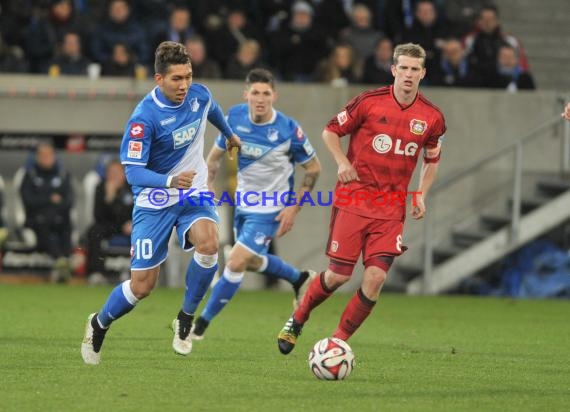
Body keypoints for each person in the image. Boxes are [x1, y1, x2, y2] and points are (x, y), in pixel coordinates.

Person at [277, 43, 447, 354]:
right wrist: (342, 162)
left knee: (375, 278)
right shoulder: (369, 102)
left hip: (391, 209)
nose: (409, 74)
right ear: (393, 70)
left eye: (415, 69)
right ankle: (299, 316)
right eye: (404, 68)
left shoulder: (432, 117)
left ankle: (337, 343)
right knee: (338, 275)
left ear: (423, 73)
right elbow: (330, 131)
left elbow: (432, 159)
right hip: (355, 200)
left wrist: (421, 192)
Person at [81, 41, 241, 365]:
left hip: (193, 192)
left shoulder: (199, 94)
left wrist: (229, 133)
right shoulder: (144, 118)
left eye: (188, 76)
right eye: (176, 79)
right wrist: (169, 181)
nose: (184, 86)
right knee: (142, 287)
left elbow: (211, 109)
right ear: (158, 79)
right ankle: (99, 323)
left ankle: (185, 317)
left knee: (210, 245)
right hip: (155, 201)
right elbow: (133, 172)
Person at [190, 68, 322, 340]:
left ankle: (199, 325)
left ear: (274, 96)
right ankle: (299, 279)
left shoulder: (288, 129)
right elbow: (212, 160)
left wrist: (293, 208)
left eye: (266, 93)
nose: (260, 99)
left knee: (236, 261)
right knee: (248, 261)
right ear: (246, 94)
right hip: (244, 206)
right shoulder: (234, 118)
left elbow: (314, 169)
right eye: (255, 93)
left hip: (272, 208)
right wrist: (208, 185)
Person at [20, 143, 74, 282]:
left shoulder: (63, 174)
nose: (47, 159)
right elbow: (28, 200)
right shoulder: (30, 175)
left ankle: (65, 260)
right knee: (43, 222)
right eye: (43, 156)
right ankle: (60, 261)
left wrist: (52, 203)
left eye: (49, 156)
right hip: (36, 219)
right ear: (37, 158)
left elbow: (69, 200)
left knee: (66, 224)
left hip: (59, 217)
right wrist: (49, 199)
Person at [85, 159, 133, 282]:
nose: (115, 175)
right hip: (109, 226)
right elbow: (98, 216)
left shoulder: (132, 188)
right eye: (111, 172)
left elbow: (134, 211)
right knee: (94, 231)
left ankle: (134, 272)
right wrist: (109, 198)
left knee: (143, 232)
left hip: (128, 226)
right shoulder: (101, 188)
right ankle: (96, 272)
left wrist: (132, 223)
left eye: (118, 172)